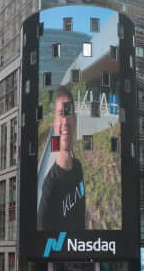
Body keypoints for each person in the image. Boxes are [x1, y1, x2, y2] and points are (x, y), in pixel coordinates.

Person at [37, 86, 86, 231]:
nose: (65, 121)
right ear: (55, 123)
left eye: (68, 113)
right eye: (60, 114)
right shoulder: (50, 185)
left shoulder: (78, 168)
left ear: (75, 120)